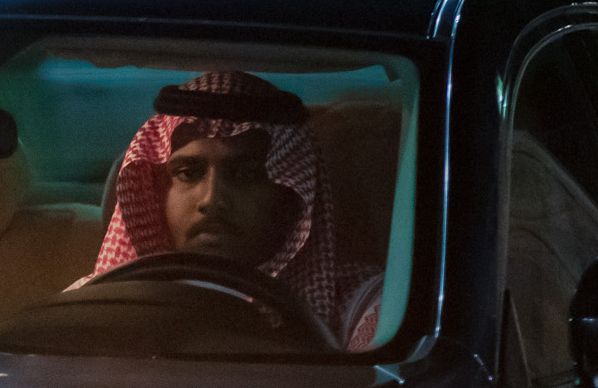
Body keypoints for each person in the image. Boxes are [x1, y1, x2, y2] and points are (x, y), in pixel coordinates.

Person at [88, 71, 383, 348]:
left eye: (245, 175)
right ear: (156, 194)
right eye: (188, 173)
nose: (212, 200)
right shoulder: (95, 298)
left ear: (289, 197)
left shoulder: (359, 306)